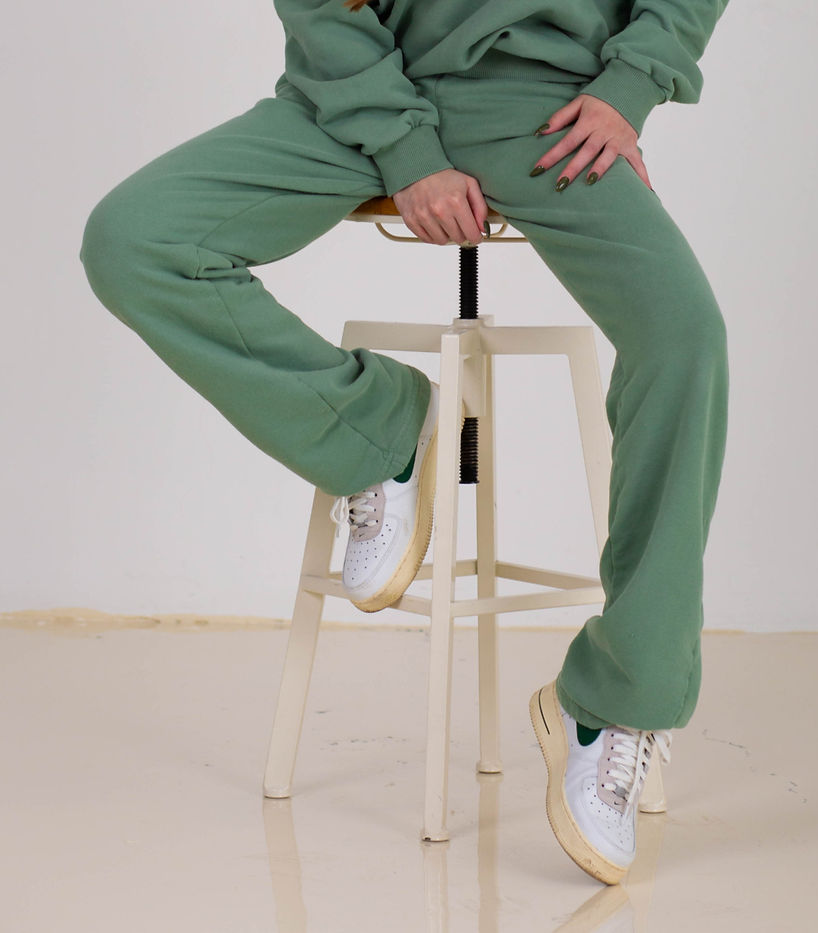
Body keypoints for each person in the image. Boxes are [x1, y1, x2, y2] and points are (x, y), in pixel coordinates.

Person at [79, 0, 731, 884]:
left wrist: (633, 80)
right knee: (133, 239)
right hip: (362, 91)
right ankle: (377, 427)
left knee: (686, 337)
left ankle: (617, 701)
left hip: (546, 109)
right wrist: (404, 144)